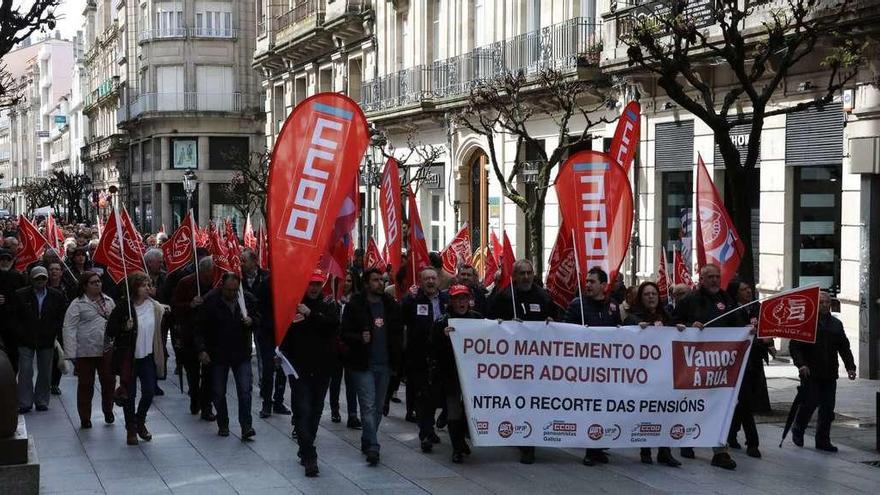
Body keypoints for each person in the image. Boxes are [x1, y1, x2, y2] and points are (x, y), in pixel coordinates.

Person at [673, 263, 745, 470]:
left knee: (720, 405)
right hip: (695, 364)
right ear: (701, 279)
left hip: (721, 366)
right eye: (710, 277)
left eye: (717, 276)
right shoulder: (689, 300)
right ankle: (687, 439)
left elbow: (736, 323)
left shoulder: (726, 299)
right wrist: (688, 328)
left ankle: (720, 451)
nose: (714, 280)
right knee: (694, 404)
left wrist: (746, 330)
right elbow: (674, 324)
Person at [487, 259, 555, 464]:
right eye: (522, 273)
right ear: (514, 276)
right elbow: (489, 321)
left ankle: (528, 442)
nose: (526, 277)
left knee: (532, 402)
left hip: (537, 362)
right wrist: (506, 325)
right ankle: (521, 437)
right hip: (512, 363)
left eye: (529, 273)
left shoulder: (543, 296)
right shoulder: (505, 297)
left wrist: (551, 322)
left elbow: (554, 317)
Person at [279, 269, 339, 477]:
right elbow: (284, 333)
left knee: (315, 410)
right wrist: (280, 353)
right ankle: (310, 454)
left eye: (317, 284)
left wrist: (310, 314)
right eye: (310, 284)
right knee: (302, 410)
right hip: (299, 370)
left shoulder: (329, 305)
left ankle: (305, 446)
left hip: (322, 368)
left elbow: (331, 326)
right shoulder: (293, 305)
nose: (313, 288)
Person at [341, 268, 403, 466]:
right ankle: (374, 446)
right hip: (363, 364)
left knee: (377, 407)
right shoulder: (356, 304)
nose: (380, 283)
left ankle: (367, 438)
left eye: (381, 280)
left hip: (384, 364)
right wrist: (360, 337)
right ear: (367, 283)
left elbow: (397, 332)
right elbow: (344, 333)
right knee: (367, 405)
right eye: (375, 280)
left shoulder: (390, 304)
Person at [563, 267, 620, 466]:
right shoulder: (576, 305)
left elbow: (619, 334)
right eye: (587, 281)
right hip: (584, 369)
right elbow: (565, 333)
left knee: (604, 408)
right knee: (589, 409)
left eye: (592, 282)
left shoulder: (612, 306)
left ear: (603, 286)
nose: (587, 284)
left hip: (606, 369)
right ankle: (589, 448)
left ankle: (599, 447)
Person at [789, 290, 857, 452]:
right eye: (821, 302)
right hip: (810, 372)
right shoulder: (806, 322)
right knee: (809, 403)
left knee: (827, 408)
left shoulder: (836, 324)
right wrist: (801, 365)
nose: (825, 305)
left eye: (827, 302)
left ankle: (823, 440)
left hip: (829, 372)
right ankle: (798, 427)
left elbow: (844, 347)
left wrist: (850, 367)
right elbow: (795, 347)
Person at [623, 281, 682, 467]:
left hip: (664, 375)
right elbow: (624, 331)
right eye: (647, 294)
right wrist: (636, 327)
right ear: (641, 297)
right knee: (646, 413)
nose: (651, 297)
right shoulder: (634, 317)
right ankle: (645, 449)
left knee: (665, 412)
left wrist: (682, 329)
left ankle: (665, 451)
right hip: (644, 375)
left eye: (654, 294)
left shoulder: (666, 316)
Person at [196, 272, 259, 439]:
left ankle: (246, 426)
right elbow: (200, 328)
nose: (232, 294)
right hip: (218, 353)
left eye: (234, 290)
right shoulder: (211, 301)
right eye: (228, 290)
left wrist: (251, 321)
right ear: (221, 287)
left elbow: (259, 318)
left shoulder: (247, 299)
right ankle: (223, 423)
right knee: (218, 391)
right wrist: (202, 349)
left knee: (245, 390)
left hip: (241, 352)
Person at [106, 272, 166, 446]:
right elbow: (110, 330)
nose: (148, 288)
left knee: (148, 391)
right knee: (129, 395)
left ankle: (140, 420)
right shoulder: (124, 307)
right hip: (129, 358)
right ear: (134, 288)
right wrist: (124, 327)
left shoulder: (154, 306)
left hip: (147, 356)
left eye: (149, 284)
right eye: (143, 285)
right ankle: (131, 428)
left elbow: (164, 311)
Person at [431, 284, 481, 463]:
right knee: (453, 410)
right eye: (457, 299)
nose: (461, 302)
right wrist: (443, 338)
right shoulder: (442, 322)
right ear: (451, 302)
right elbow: (434, 350)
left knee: (469, 410)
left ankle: (461, 441)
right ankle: (457, 447)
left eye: (464, 298)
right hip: (451, 375)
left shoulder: (477, 319)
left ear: (469, 300)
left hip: (473, 375)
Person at [401, 267, 447, 453]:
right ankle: (425, 433)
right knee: (423, 395)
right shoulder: (414, 300)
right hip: (419, 356)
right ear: (421, 281)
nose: (430, 281)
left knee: (438, 394)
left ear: (438, 280)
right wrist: (407, 298)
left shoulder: (445, 299)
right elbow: (401, 317)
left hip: (442, 355)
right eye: (426, 278)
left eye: (433, 278)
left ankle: (431, 428)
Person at [62, 271, 116, 428]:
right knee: (86, 385)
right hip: (85, 351)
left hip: (106, 348)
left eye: (99, 281)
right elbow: (69, 328)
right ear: (85, 286)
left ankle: (108, 410)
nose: (97, 284)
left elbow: (115, 322)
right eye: (93, 282)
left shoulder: (109, 301)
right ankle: (85, 417)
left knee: (109, 381)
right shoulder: (77, 304)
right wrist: (71, 353)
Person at [242, 248, 289, 419]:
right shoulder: (266, 282)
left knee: (283, 366)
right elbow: (257, 305)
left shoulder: (281, 280)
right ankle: (267, 403)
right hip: (266, 330)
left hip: (282, 330)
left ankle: (278, 400)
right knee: (268, 366)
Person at [725, 279, 770, 458]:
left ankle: (731, 432)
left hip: (755, 361)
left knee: (744, 402)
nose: (748, 292)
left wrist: (766, 340)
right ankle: (753, 443)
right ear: (735, 293)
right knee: (745, 403)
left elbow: (765, 330)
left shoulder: (757, 308)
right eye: (743, 290)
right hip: (737, 362)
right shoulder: (731, 311)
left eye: (749, 289)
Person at [13, 266, 67, 413]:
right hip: (26, 339)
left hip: (46, 338)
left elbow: (61, 316)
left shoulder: (56, 295)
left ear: (47, 279)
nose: (40, 281)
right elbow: (15, 316)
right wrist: (20, 332)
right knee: (25, 370)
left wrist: (53, 331)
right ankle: (25, 402)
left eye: (43, 278)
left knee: (45, 371)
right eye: (37, 278)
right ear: (32, 279)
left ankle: (42, 400)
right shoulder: (21, 295)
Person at [171, 256, 216, 421]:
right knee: (192, 371)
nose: (210, 277)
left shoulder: (216, 283)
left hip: (208, 334)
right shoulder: (186, 282)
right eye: (208, 273)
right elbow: (175, 305)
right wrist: (190, 304)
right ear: (202, 271)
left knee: (209, 372)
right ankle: (195, 397)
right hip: (189, 333)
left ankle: (206, 407)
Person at [330, 269, 361, 428]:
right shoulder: (331, 301)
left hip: (350, 346)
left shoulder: (357, 301)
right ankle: (334, 409)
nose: (346, 284)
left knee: (351, 381)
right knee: (335, 380)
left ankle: (353, 414)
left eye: (349, 281)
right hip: (335, 347)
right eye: (343, 281)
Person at [46, 261, 71, 395]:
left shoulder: (68, 287)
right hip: (46, 326)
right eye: (51, 269)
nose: (54, 272)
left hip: (63, 326)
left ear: (61, 272)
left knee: (59, 356)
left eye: (57, 269)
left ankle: (55, 383)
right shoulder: (43, 286)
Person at [0, 248, 26, 372]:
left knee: (12, 355)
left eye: (8, 259)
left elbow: (24, 300)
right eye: (2, 259)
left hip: (13, 324)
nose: (5, 262)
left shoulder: (18, 276)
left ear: (13, 261)